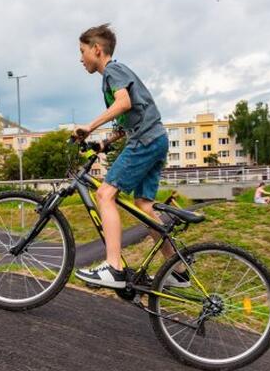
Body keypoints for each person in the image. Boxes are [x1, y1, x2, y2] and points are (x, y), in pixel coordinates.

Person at [72, 23, 188, 289]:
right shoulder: (117, 74)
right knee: (145, 206)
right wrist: (104, 144)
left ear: (97, 50)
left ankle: (113, 267)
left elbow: (123, 103)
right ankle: (179, 270)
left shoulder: (112, 71)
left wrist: (89, 126)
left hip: (146, 140)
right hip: (155, 138)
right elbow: (128, 118)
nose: (80, 59)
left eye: (82, 51)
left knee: (104, 195)